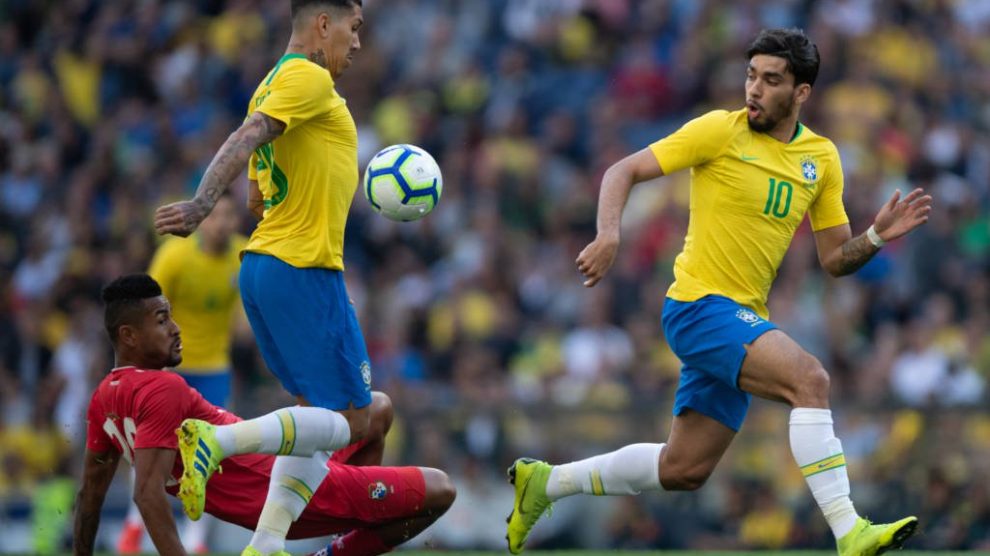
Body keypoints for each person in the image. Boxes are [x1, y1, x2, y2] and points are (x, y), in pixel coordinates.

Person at [505, 28, 932, 556]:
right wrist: (609, 233)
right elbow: (623, 170)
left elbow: (834, 260)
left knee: (683, 469)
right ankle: (850, 530)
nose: (754, 89)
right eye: (751, 75)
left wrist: (873, 237)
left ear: (801, 93)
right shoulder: (719, 131)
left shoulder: (821, 159)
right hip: (698, 307)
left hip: (740, 318)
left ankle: (545, 483)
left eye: (771, 80)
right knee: (810, 379)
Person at [152, 2, 375, 554]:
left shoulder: (272, 82)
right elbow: (250, 134)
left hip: (264, 266)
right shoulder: (306, 76)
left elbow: (256, 197)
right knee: (354, 422)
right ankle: (219, 441)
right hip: (303, 269)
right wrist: (204, 203)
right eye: (355, 27)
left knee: (313, 416)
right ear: (325, 23)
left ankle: (267, 543)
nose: (358, 42)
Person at [73, 275, 455, 556]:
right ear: (128, 336)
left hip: (282, 469)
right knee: (440, 491)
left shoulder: (103, 398)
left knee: (379, 407)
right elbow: (146, 494)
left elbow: (91, 494)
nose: (175, 329)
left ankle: (352, 520)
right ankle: (334, 542)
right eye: (161, 320)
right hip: (288, 493)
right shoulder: (163, 390)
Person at [117, 193, 248, 554]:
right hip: (169, 367)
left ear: (236, 221)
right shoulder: (174, 256)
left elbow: (251, 302)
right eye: (215, 215)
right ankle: (132, 527)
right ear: (203, 220)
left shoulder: (244, 255)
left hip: (214, 368)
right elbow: (145, 309)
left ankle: (196, 541)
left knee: (208, 453)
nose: (222, 223)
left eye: (228, 216)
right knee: (150, 449)